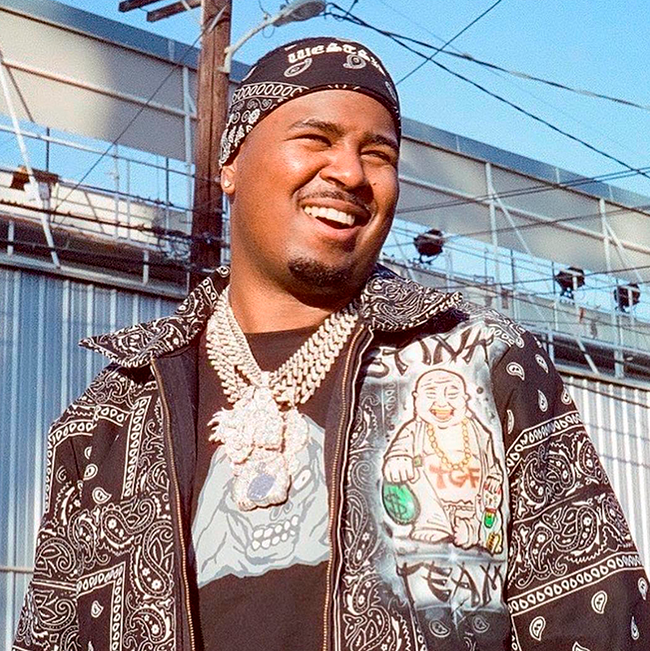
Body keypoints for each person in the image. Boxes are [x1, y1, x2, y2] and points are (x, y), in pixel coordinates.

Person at [13, 37, 649, 651]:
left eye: (379, 154)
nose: (350, 172)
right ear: (230, 164)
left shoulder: (485, 363)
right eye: (315, 139)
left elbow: (599, 623)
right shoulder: (111, 414)